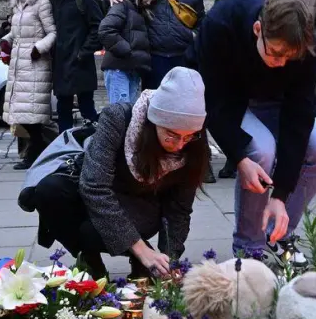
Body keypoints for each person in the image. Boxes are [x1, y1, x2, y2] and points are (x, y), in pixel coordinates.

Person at [30, 67, 209, 279]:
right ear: (154, 123)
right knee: (48, 192)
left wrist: (167, 259)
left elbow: (179, 210)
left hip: (145, 206)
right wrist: (141, 249)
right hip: (102, 191)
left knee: (92, 231)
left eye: (188, 136)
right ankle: (90, 262)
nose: (179, 145)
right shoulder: (118, 119)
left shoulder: (195, 144)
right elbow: (93, 186)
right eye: (171, 134)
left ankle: (140, 257)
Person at [197, 0, 316, 254]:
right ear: (257, 29)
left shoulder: (307, 45)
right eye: (276, 53)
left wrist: (281, 194)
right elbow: (213, 100)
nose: (281, 63)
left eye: (289, 58)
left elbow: (300, 115)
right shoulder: (222, 23)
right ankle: (249, 248)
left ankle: (276, 235)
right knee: (260, 151)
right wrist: (239, 157)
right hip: (231, 99)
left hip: (278, 102)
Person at [5, 0, 57, 169]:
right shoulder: (18, 2)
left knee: (32, 117)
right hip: (19, 64)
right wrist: (6, 39)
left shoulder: (41, 2)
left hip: (35, 64)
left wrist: (38, 48)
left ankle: (34, 154)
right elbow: (17, 32)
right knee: (21, 115)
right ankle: (37, 152)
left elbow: (52, 32)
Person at [48, 0, 104, 132]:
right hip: (61, 64)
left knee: (87, 110)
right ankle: (65, 149)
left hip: (81, 64)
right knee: (63, 110)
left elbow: (98, 27)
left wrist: (83, 53)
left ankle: (92, 149)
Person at [147, 0, 206, 89]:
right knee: (154, 102)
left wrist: (191, 35)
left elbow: (201, 23)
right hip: (154, 56)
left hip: (182, 57)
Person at [99, 0, 159, 106]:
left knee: (126, 115)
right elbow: (105, 30)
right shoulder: (122, 4)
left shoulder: (139, 9)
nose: (149, 2)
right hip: (119, 68)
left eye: (153, 0)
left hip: (129, 68)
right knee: (121, 115)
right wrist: (127, 51)